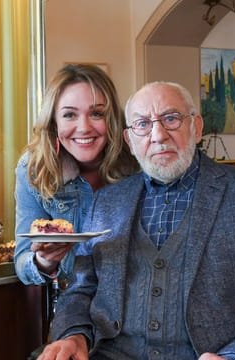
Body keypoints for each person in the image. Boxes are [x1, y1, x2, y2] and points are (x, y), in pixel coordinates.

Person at [38, 81, 235, 359]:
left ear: (197, 127)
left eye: (171, 118)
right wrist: (74, 335)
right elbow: (81, 290)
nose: (158, 135)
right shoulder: (106, 201)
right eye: (142, 124)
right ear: (130, 141)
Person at [14, 64, 138, 286]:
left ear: (112, 119)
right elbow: (23, 261)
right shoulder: (34, 168)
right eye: (69, 114)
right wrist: (43, 260)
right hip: (72, 302)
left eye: (97, 113)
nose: (84, 127)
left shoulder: (137, 163)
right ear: (53, 122)